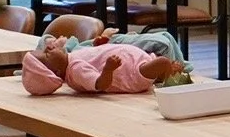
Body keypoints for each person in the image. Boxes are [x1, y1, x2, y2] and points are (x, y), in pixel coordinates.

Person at [21, 35, 182, 95]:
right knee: (163, 62)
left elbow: (93, 56)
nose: (49, 47)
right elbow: (100, 84)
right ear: (56, 72)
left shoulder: (71, 61)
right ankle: (169, 82)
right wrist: (108, 69)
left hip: (134, 62)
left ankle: (163, 74)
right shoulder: (76, 69)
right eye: (47, 54)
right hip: (133, 73)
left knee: (160, 63)